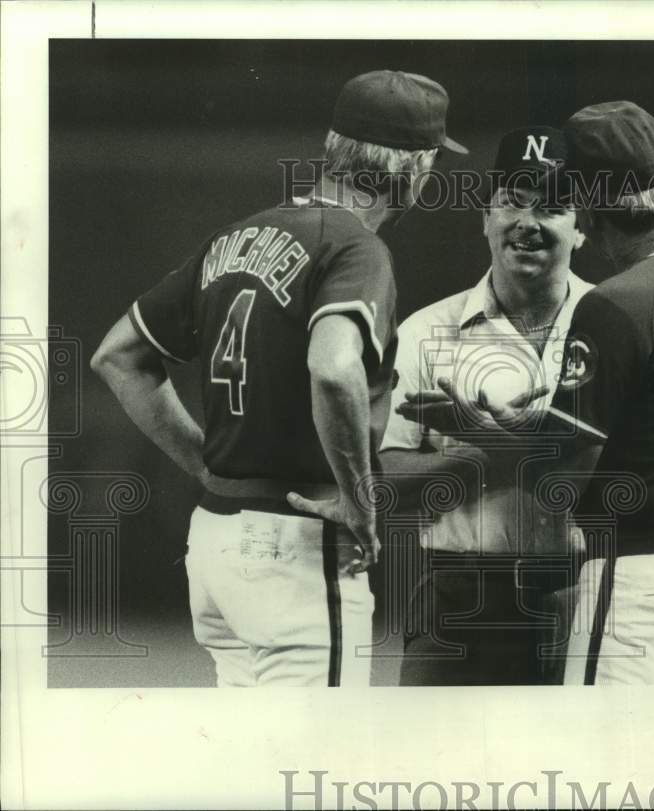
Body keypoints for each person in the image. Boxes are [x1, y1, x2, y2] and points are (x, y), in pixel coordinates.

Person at [90, 70, 467, 687]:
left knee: (246, 768)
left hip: (214, 542)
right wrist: (359, 496)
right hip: (296, 545)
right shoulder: (355, 248)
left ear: (332, 144)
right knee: (312, 769)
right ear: (418, 169)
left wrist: (201, 461)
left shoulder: (236, 236)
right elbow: (333, 364)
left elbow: (118, 355)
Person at [432, 102, 654, 685]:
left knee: (603, 766)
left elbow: (557, 486)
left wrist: (486, 432)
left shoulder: (619, 302)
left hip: (648, 595)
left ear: (591, 205)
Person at [380, 126, 592, 685]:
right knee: (424, 768)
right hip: (456, 599)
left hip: (581, 597)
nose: (528, 223)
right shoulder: (426, 330)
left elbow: (606, 476)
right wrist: (476, 459)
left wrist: (482, 435)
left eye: (551, 207)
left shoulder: (613, 327)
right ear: (484, 217)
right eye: (512, 203)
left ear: (581, 227)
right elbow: (379, 479)